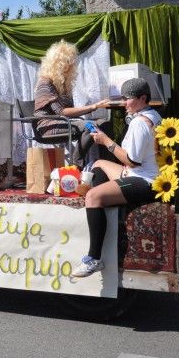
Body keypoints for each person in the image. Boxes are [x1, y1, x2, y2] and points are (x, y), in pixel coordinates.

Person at [72, 77, 162, 277]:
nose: (123, 103)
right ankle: (103, 208)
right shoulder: (153, 115)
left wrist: (106, 141)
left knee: (93, 196)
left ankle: (94, 258)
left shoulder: (139, 123)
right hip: (140, 174)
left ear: (142, 98)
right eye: (122, 98)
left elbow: (132, 161)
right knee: (98, 164)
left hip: (145, 181)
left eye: (127, 99)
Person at [33, 40, 111, 162]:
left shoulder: (63, 85)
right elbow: (62, 112)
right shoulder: (45, 82)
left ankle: (104, 165)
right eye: (66, 63)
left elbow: (70, 111)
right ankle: (76, 165)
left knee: (103, 123)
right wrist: (93, 106)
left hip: (62, 123)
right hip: (47, 127)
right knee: (90, 126)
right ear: (56, 64)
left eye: (71, 62)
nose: (70, 66)